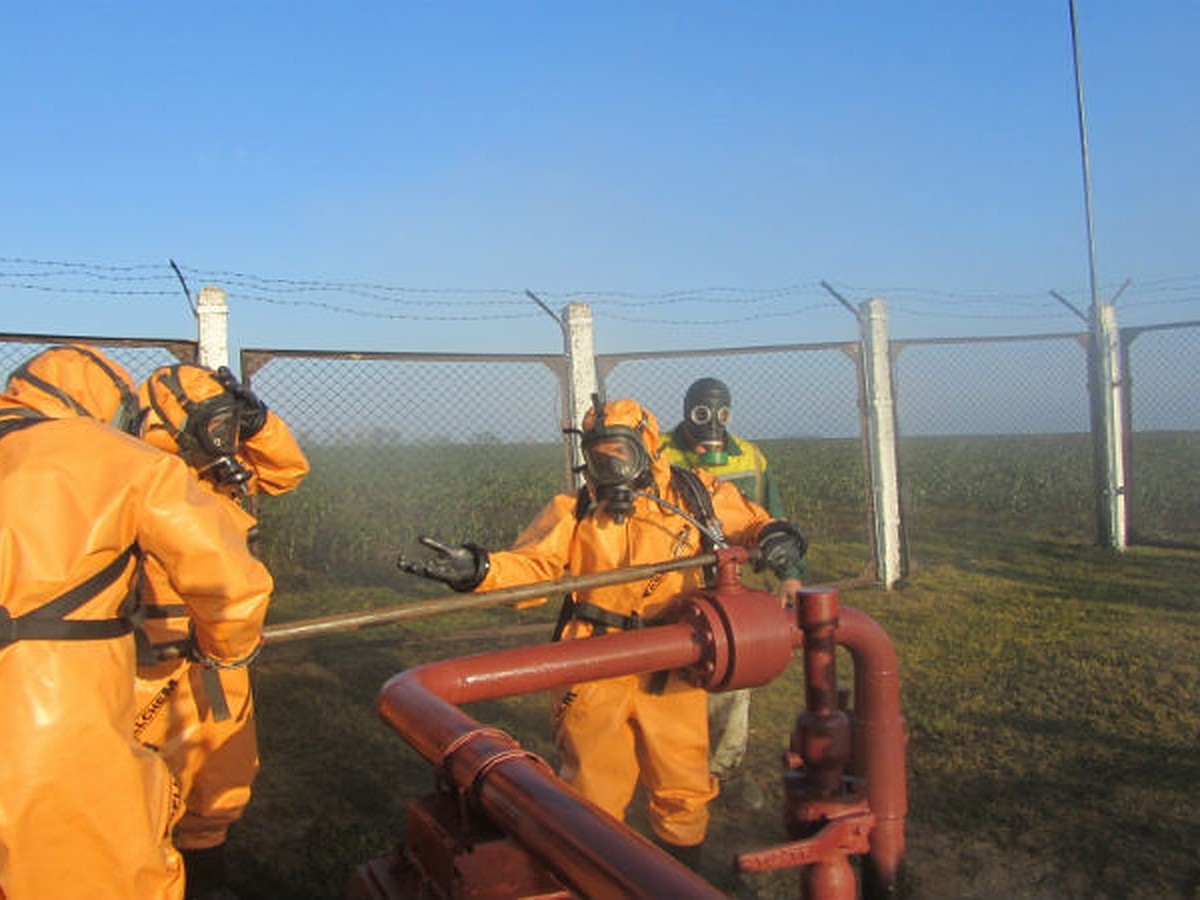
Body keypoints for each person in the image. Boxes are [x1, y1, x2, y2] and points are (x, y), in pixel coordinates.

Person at [397, 396, 806, 870]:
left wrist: (777, 536)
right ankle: (594, 874)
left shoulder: (696, 496)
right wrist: (482, 570)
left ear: (648, 449)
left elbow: (752, 522)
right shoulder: (576, 509)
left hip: (675, 658)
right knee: (591, 786)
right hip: (592, 660)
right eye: (600, 457)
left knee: (683, 782)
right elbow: (534, 567)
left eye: (621, 454)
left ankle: (682, 873)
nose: (611, 468)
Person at [0, 344, 273, 900]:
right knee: (91, 864)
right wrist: (225, 651)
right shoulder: (123, 459)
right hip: (52, 709)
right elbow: (231, 586)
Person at [134, 363, 309, 900]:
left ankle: (207, 874)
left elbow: (287, 472)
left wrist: (260, 426)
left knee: (221, 765)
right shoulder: (138, 476)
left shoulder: (216, 477)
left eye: (230, 426)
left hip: (219, 648)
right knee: (143, 772)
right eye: (218, 426)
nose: (225, 440)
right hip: (149, 650)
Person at [660, 377, 805, 812]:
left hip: (732, 586)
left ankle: (724, 771)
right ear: (687, 411)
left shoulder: (750, 458)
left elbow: (772, 518)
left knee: (734, 676)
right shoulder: (659, 453)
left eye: (720, 415)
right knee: (672, 679)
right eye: (701, 414)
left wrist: (790, 574)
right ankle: (673, 772)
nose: (711, 424)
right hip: (673, 583)